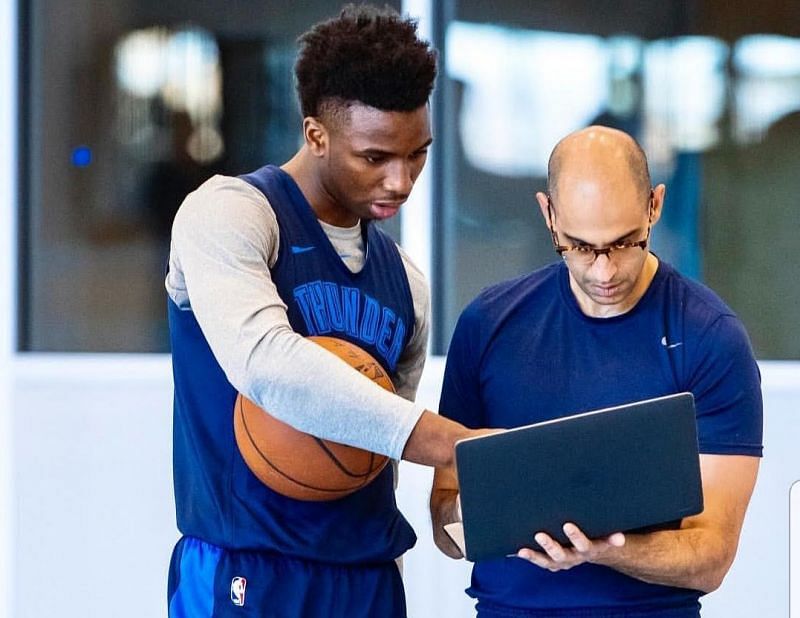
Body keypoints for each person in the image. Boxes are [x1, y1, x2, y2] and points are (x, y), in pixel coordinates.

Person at [165, 5, 484, 617]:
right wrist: (451, 442)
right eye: (374, 157)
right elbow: (266, 362)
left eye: (417, 154)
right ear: (316, 135)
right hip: (246, 568)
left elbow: (377, 442)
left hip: (365, 575)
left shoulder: (406, 284)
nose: (401, 180)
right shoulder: (231, 213)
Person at [430, 126, 763, 617]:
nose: (604, 272)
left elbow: (711, 557)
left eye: (625, 243)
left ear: (654, 206)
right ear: (549, 215)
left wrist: (604, 549)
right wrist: (474, 516)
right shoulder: (488, 326)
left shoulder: (711, 338)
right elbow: (445, 526)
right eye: (581, 247)